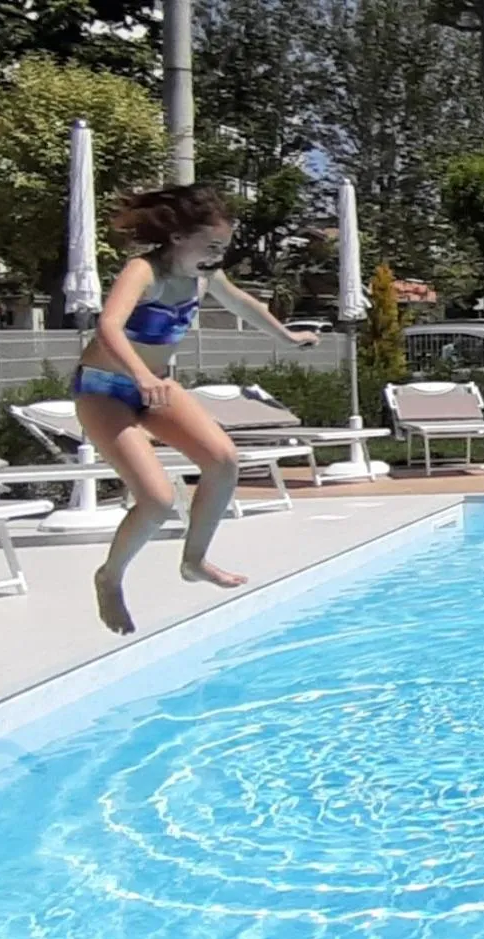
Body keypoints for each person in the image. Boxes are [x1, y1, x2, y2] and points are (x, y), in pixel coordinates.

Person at [73, 183, 321, 635]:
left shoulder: (204, 278)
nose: (215, 255)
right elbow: (108, 326)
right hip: (104, 389)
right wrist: (142, 376)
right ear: (178, 237)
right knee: (157, 501)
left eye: (222, 248)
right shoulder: (143, 271)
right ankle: (109, 578)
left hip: (157, 387)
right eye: (210, 245)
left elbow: (243, 304)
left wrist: (288, 337)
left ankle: (194, 560)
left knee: (224, 460)